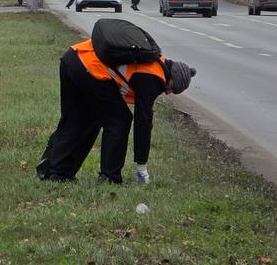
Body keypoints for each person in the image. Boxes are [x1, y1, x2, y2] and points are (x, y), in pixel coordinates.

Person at [36, 36, 196, 184]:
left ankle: (56, 172)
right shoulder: (153, 77)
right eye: (173, 89)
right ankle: (109, 177)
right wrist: (142, 166)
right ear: (172, 79)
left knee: (78, 118)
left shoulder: (155, 62)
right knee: (119, 120)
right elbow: (143, 122)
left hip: (74, 57)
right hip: (90, 67)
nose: (168, 93)